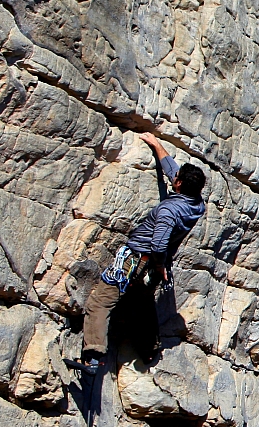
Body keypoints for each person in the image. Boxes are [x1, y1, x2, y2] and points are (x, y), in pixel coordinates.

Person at [70, 132, 206, 376]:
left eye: (177, 179)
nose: (174, 178)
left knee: (100, 303)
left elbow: (158, 243)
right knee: (141, 303)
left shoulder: (169, 211)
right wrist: (156, 144)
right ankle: (149, 348)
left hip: (136, 261)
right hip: (150, 267)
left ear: (179, 186)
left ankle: (93, 358)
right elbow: (173, 170)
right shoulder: (196, 204)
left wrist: (160, 264)